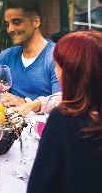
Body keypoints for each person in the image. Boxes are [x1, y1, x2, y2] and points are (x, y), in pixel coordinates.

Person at [27, 30, 102, 191]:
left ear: (72, 74)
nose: (55, 71)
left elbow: (38, 187)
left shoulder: (65, 120)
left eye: (57, 66)